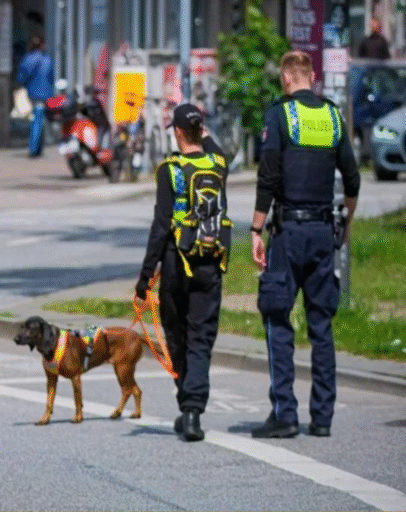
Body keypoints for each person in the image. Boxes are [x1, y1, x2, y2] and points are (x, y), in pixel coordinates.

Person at [250, 50, 360, 438]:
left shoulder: (280, 115)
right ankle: (323, 418)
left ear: (285, 78)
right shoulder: (332, 115)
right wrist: (345, 223)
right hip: (322, 233)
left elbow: (268, 175)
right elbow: (352, 178)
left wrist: (255, 230)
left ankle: (284, 414)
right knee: (321, 326)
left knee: (278, 321)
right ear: (311, 77)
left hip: (289, 234)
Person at [135, 104, 232, 442]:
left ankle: (188, 405)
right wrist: (200, 131)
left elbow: (161, 226)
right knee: (201, 338)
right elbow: (217, 149)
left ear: (176, 133)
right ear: (200, 131)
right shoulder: (218, 165)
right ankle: (192, 410)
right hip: (210, 262)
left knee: (176, 337)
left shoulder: (170, 169)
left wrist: (145, 277)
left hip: (177, 263)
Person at [16, 35, 54, 157]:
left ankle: (34, 148)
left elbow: (22, 77)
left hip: (33, 93)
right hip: (46, 94)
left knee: (36, 120)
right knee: (40, 120)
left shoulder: (28, 59)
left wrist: (22, 85)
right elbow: (51, 77)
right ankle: (37, 148)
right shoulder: (47, 59)